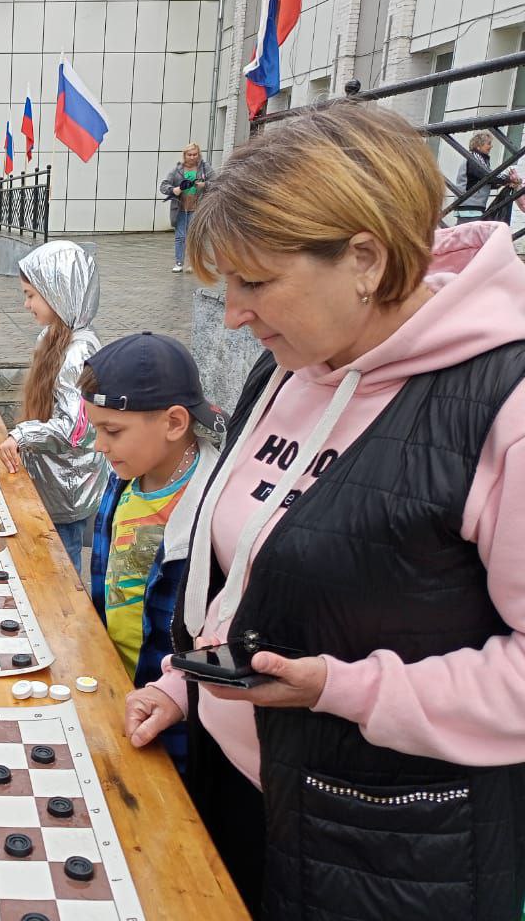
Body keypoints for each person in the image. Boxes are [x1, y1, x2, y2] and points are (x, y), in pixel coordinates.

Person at [123, 103, 525, 919]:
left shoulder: (503, 407)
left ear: (366, 260)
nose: (233, 313)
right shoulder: (291, 361)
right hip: (237, 793)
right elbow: (252, 567)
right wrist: (187, 684)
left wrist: (349, 690)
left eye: (256, 281)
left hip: (390, 851)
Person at [80, 333, 223, 772]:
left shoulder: (212, 506)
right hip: (113, 675)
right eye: (95, 428)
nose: (99, 445)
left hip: (174, 706)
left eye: (112, 430)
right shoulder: (127, 473)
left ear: (175, 423)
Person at [0, 240, 108, 574]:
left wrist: (21, 434)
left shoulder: (77, 351)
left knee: (64, 566)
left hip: (69, 482)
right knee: (50, 553)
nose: (26, 304)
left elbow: (75, 428)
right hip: (54, 476)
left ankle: (69, 622)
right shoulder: (53, 336)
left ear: (59, 292)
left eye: (31, 294)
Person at [160, 143, 214, 273]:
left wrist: (204, 185)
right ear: (185, 155)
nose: (192, 157)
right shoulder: (177, 170)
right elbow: (163, 186)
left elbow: (217, 182)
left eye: (195, 154)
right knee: (180, 237)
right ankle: (179, 263)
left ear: (198, 154)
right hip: (180, 208)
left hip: (198, 207)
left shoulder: (205, 168)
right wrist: (175, 189)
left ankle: (193, 264)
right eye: (189, 155)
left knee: (194, 237)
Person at [453, 131, 520, 225]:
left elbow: (485, 181)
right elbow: (488, 175)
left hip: (470, 206)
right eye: (488, 144)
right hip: (470, 206)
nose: (491, 146)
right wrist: (508, 178)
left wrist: (503, 182)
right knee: (470, 234)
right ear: (478, 146)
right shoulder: (475, 158)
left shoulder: (479, 159)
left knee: (468, 234)